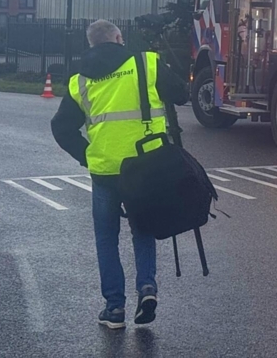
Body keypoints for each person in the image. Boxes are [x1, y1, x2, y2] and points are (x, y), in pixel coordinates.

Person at [50, 19, 188, 329]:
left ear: (91, 45)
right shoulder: (147, 63)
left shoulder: (79, 80)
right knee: (144, 227)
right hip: (147, 165)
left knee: (106, 238)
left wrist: (87, 155)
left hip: (105, 170)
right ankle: (147, 288)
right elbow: (181, 94)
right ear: (119, 38)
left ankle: (114, 308)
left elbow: (61, 128)